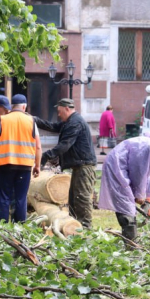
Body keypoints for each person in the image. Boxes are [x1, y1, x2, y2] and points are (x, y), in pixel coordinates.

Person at [98, 130, 150, 241]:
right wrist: (140, 195)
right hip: (117, 169)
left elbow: (147, 175)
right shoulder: (148, 146)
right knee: (126, 206)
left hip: (121, 168)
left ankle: (131, 239)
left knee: (127, 204)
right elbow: (138, 173)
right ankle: (131, 243)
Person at [34, 98, 97, 228]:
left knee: (82, 198)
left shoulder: (75, 123)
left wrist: (46, 156)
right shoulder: (69, 122)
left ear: (67, 109)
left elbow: (65, 144)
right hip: (79, 166)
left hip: (84, 166)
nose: (58, 114)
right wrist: (33, 119)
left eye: (59, 111)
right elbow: (51, 126)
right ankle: (73, 226)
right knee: (74, 199)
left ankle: (85, 228)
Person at [0, 94, 41, 222]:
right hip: (25, 166)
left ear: (13, 106)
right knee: (21, 198)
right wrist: (37, 165)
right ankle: (20, 226)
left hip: (5, 165)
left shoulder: (3, 120)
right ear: (24, 106)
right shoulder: (31, 121)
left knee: (4, 197)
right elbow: (38, 147)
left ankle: (3, 227)